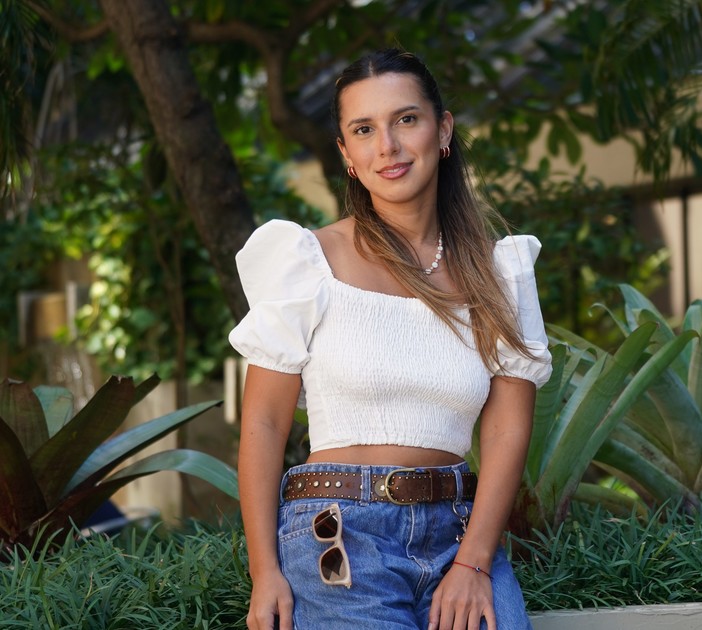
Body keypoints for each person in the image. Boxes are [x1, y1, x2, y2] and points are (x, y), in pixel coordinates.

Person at [229, 49, 551, 630]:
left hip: (459, 533)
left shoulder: (499, 272)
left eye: (406, 119)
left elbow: (507, 428)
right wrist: (264, 570)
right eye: (364, 129)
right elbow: (264, 423)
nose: (388, 146)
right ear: (346, 154)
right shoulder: (307, 260)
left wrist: (474, 561)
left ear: (443, 130)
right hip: (338, 534)